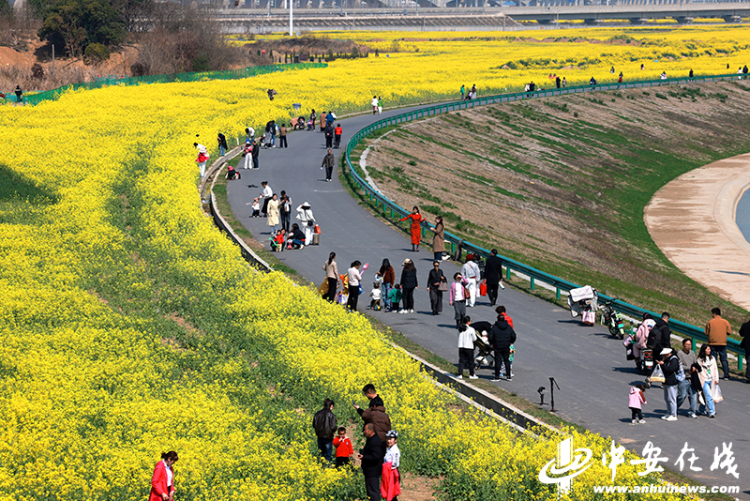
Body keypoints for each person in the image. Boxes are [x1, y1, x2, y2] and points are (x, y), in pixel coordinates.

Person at [358, 423, 384, 501]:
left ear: (370, 431)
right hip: (370, 471)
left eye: (365, 430)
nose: (364, 432)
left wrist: (364, 457)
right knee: (370, 492)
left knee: (373, 492)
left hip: (373, 471)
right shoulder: (371, 439)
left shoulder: (375, 441)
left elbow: (376, 456)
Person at [489, 310, 516, 382]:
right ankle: (508, 376)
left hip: (497, 346)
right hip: (506, 346)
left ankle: (497, 376)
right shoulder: (508, 327)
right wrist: (511, 342)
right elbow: (513, 335)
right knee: (506, 361)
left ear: (497, 319)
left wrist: (492, 343)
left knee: (498, 361)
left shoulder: (494, 327)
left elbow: (490, 336)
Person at [705, 307, 732, 380]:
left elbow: (706, 333)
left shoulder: (710, 322)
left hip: (712, 343)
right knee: (724, 360)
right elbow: (729, 332)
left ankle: (713, 374)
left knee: (713, 359)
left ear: (714, 313)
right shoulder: (725, 322)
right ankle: (726, 375)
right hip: (722, 343)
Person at [656, 348, 680, 421]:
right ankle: (669, 412)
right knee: (667, 398)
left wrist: (663, 365)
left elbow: (670, 369)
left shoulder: (674, 360)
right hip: (666, 381)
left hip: (672, 382)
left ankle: (673, 414)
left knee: (672, 398)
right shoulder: (666, 359)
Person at [676, 338, 698, 418]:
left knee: (693, 395)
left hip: (692, 378)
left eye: (690, 345)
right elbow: (680, 365)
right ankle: (674, 407)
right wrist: (690, 368)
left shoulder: (692, 353)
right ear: (683, 345)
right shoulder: (680, 353)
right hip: (684, 378)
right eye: (687, 345)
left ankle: (692, 411)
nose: (688, 346)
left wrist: (695, 368)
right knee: (682, 396)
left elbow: (695, 363)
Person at [312, 398, 337, 464]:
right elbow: (334, 427)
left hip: (319, 436)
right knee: (327, 455)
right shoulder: (332, 415)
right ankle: (326, 468)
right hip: (328, 437)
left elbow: (314, 425)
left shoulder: (317, 414)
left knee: (321, 454)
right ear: (331, 406)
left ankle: (319, 467)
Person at [697, 344, 718, 418]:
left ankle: (701, 409)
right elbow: (698, 371)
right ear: (704, 350)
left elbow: (715, 369)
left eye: (709, 349)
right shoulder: (700, 360)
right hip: (704, 380)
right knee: (709, 396)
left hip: (711, 380)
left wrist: (716, 379)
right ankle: (712, 411)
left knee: (704, 395)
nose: (709, 350)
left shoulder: (712, 358)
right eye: (707, 349)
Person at [381, 430, 401, 501]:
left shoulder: (395, 450)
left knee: (392, 494)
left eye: (391, 439)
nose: (389, 440)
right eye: (388, 438)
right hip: (388, 472)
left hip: (392, 473)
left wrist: (386, 467)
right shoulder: (389, 449)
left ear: (395, 440)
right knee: (390, 493)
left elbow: (395, 464)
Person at [740, 318, 750, 383]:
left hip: (748, 346)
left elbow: (741, 334)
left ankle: (749, 377)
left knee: (749, 362)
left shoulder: (745, 325)